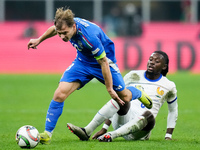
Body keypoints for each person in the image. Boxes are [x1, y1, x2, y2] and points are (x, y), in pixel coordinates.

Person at [27, 7, 152, 144]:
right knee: (59, 94)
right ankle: (47, 134)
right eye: (60, 33)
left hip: (104, 62)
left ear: (73, 26)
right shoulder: (65, 25)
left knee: (125, 97)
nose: (62, 37)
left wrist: (109, 89)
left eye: (65, 33)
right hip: (83, 62)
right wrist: (39, 39)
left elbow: (103, 62)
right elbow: (54, 28)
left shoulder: (89, 36)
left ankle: (137, 91)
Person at [67, 51, 178, 141]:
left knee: (149, 116)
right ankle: (87, 131)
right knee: (121, 98)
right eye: (150, 59)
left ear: (164, 66)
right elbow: (117, 99)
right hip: (122, 120)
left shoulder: (169, 85)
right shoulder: (133, 75)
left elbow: (173, 111)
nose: (151, 62)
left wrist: (168, 135)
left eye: (157, 61)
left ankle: (112, 135)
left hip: (140, 131)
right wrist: (105, 128)